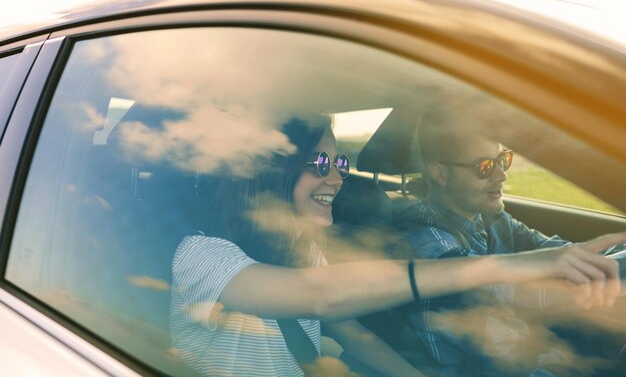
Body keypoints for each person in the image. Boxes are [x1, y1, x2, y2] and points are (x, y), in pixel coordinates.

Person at [169, 114, 624, 377]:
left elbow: (351, 330)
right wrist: (500, 268)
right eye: (320, 162)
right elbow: (320, 297)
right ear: (272, 171)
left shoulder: (305, 252)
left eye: (340, 161)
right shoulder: (201, 256)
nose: (338, 175)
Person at [392, 114, 626, 377]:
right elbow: (498, 292)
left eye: (503, 160)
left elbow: (557, 252)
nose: (501, 175)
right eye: (485, 167)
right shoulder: (420, 236)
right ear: (440, 173)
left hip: (519, 351)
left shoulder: (493, 219)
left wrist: (610, 259)